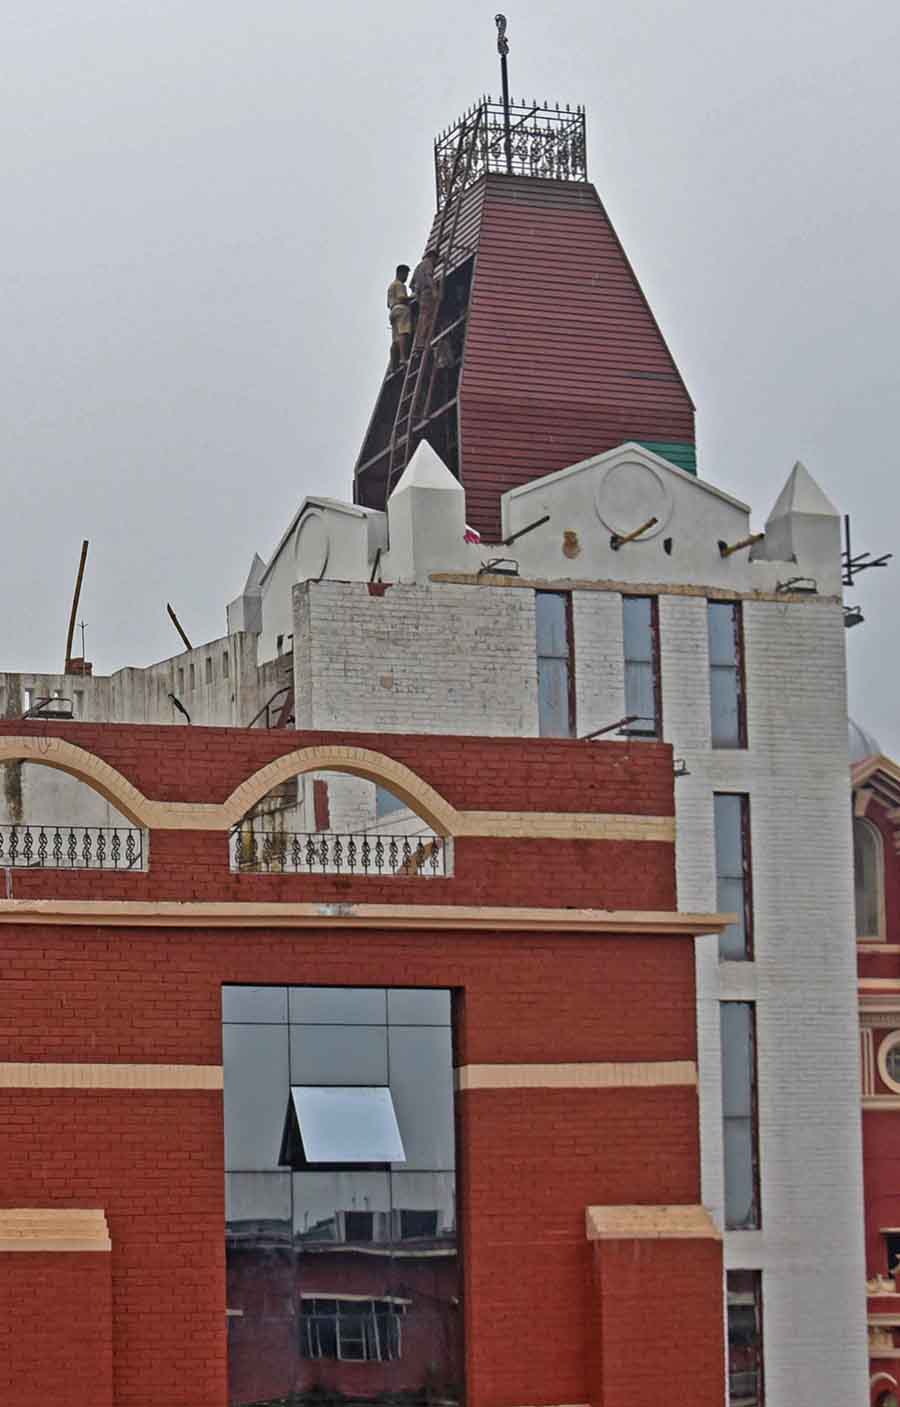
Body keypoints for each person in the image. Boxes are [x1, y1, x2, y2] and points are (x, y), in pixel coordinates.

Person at [410, 249, 440, 348]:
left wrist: (418, 295)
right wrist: (434, 290)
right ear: (432, 257)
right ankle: (423, 341)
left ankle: (419, 342)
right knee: (427, 317)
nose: (435, 262)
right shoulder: (428, 263)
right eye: (435, 260)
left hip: (421, 295)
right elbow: (428, 276)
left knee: (422, 317)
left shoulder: (418, 267)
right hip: (427, 293)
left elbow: (411, 285)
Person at [387, 264, 412, 370]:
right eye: (405, 275)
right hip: (401, 309)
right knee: (403, 333)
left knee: (395, 339)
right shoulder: (400, 285)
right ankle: (402, 359)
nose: (406, 278)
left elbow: (388, 304)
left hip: (393, 311)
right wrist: (412, 297)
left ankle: (393, 364)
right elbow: (402, 298)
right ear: (401, 273)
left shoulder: (391, 286)